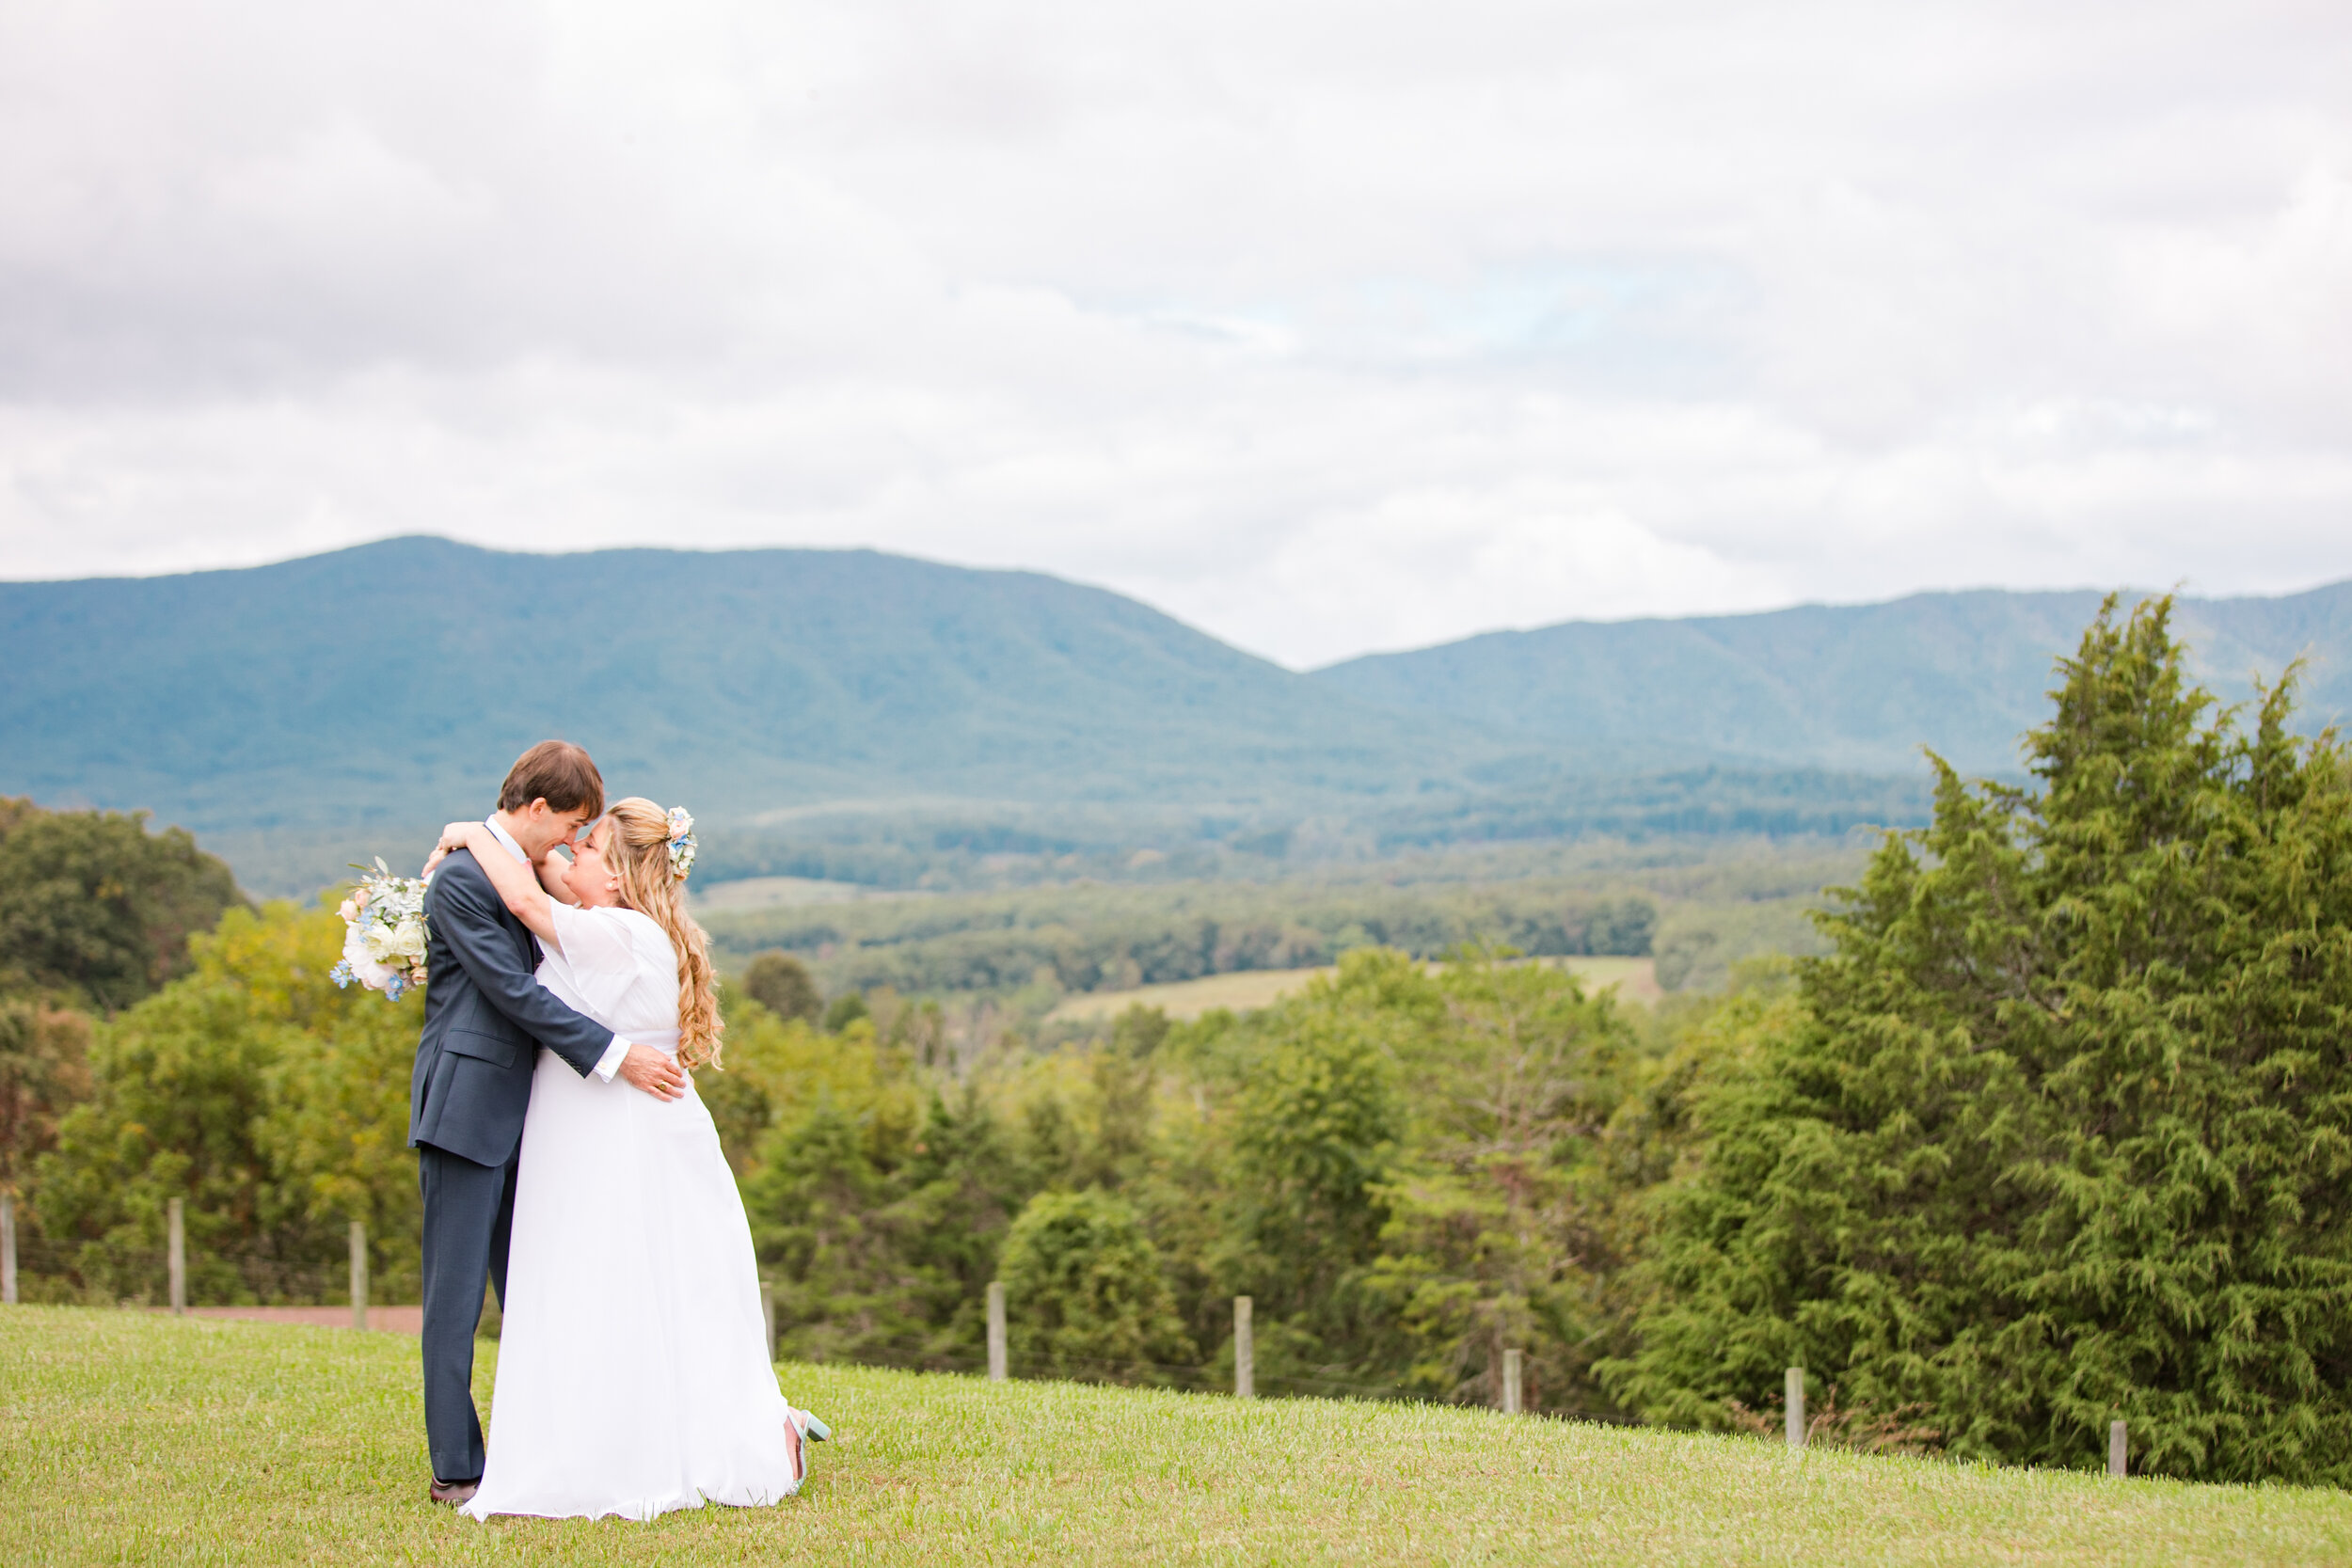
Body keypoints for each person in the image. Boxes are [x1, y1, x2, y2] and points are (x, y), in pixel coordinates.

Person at [425, 796, 828, 1521]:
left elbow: (520, 890)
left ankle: (708, 1439)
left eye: (586, 848)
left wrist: (469, 830)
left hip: (622, 1136)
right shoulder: (611, 921)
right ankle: (608, 1435)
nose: (567, 852)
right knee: (626, 1290)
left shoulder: (614, 931)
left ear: (613, 878)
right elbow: (539, 863)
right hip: (601, 1130)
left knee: (637, 1286)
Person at [410, 741, 688, 1506]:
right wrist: (616, 1055)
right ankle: (457, 1467)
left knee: (533, 1290)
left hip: (528, 1118)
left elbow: (555, 910)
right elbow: (510, 991)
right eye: (568, 825)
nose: (571, 843)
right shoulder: (464, 881)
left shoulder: (514, 867)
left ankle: (551, 1441)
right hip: (467, 1109)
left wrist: (466, 827)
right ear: (536, 809)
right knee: (456, 1297)